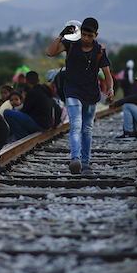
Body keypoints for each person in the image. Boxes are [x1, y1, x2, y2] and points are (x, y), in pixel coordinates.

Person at [46, 17, 114, 175]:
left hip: (91, 93)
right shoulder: (71, 43)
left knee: (87, 129)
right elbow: (50, 53)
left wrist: (110, 89)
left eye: (89, 35)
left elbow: (107, 74)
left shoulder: (100, 51)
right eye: (83, 34)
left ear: (95, 35)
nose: (86, 38)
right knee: (76, 125)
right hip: (72, 90)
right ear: (80, 32)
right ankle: (75, 159)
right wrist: (61, 35)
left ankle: (85, 163)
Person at [3, 71, 53, 140]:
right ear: (38, 80)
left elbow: (25, 110)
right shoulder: (45, 91)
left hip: (38, 125)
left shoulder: (32, 92)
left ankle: (22, 136)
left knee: (7, 112)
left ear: (26, 81)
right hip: (47, 125)